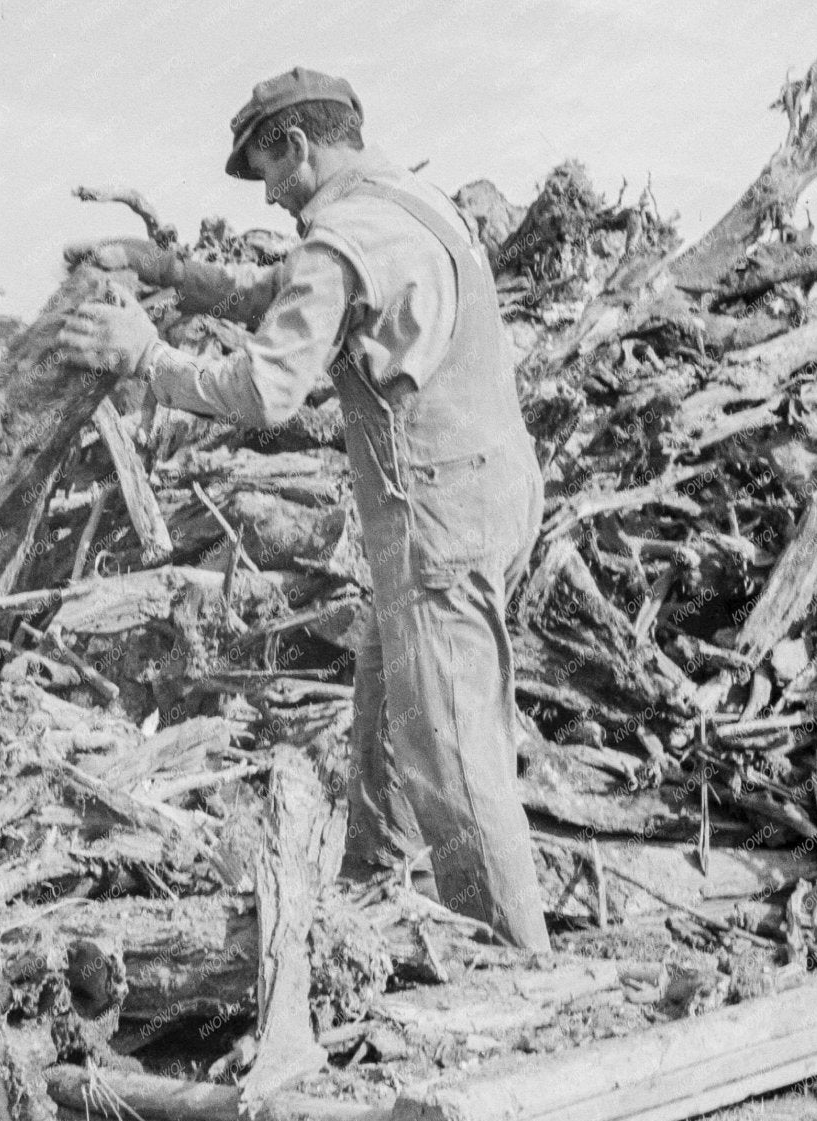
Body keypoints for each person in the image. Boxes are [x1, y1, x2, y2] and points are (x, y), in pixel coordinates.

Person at [59, 67, 551, 954]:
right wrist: (167, 268)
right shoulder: (409, 205)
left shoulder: (345, 235)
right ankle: (377, 909)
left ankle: (517, 966)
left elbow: (265, 389)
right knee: (389, 706)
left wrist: (149, 358)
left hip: (435, 516)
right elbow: (275, 291)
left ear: (298, 145)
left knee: (451, 751)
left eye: (270, 172)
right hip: (496, 491)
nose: (274, 197)